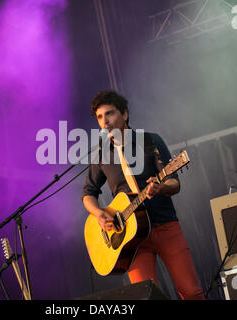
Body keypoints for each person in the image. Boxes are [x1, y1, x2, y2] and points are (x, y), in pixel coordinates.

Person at [82, 90, 205, 300]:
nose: (105, 122)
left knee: (191, 292)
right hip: (132, 240)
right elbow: (88, 193)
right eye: (100, 117)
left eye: (109, 114)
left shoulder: (150, 140)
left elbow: (174, 182)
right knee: (145, 298)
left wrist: (161, 188)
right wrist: (98, 214)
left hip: (165, 226)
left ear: (125, 114)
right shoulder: (101, 154)